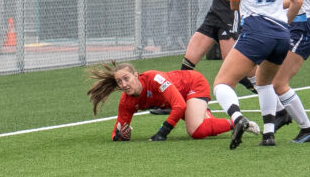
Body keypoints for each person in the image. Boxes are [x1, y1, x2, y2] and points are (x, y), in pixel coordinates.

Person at [213, 0, 304, 149]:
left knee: (221, 83)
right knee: (264, 83)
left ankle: (237, 118)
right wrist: (285, 19)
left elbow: (233, 5)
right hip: (282, 34)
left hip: (257, 32)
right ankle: (269, 134)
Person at [87, 61, 259, 142]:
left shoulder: (155, 79)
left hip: (193, 85)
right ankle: (238, 123)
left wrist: (163, 131)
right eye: (120, 82)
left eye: (127, 78)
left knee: (196, 131)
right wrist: (120, 136)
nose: (124, 84)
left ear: (136, 75)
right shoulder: (126, 101)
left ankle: (234, 122)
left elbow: (179, 105)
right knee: (206, 129)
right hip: (179, 99)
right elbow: (118, 128)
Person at [272, 0, 310, 143]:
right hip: (299, 24)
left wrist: (283, 21)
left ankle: (306, 128)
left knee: (278, 81)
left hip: (303, 26)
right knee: (270, 77)